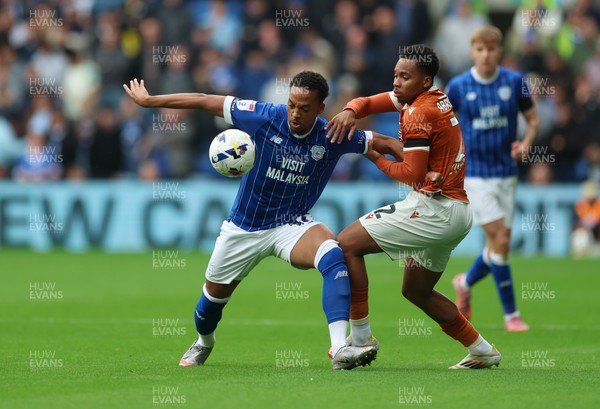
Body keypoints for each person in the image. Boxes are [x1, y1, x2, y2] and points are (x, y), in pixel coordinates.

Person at [123, 71, 402, 370]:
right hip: (243, 227)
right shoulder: (264, 116)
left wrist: (424, 168)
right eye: (292, 104)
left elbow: (386, 142)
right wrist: (151, 101)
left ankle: (339, 349)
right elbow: (205, 101)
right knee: (209, 307)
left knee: (332, 254)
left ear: (321, 108)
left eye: (305, 108)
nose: (295, 113)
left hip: (291, 225)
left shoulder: (331, 134)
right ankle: (204, 342)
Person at [325, 44, 501, 369]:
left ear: (424, 80)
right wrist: (351, 109)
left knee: (346, 245)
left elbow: (411, 174)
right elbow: (367, 103)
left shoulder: (419, 113)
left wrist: (378, 151)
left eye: (404, 77)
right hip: (457, 212)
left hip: (434, 208)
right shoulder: (427, 97)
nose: (396, 83)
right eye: (395, 75)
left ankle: (361, 339)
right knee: (416, 291)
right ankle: (482, 350)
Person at [445, 26, 539, 332]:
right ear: (473, 52)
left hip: (506, 174)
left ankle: (465, 280)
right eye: (480, 49)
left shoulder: (514, 83)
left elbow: (533, 120)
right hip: (474, 174)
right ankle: (511, 315)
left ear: (500, 52)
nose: (486, 55)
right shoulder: (458, 86)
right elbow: (445, 125)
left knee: (501, 244)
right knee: (499, 239)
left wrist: (525, 144)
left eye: (491, 49)